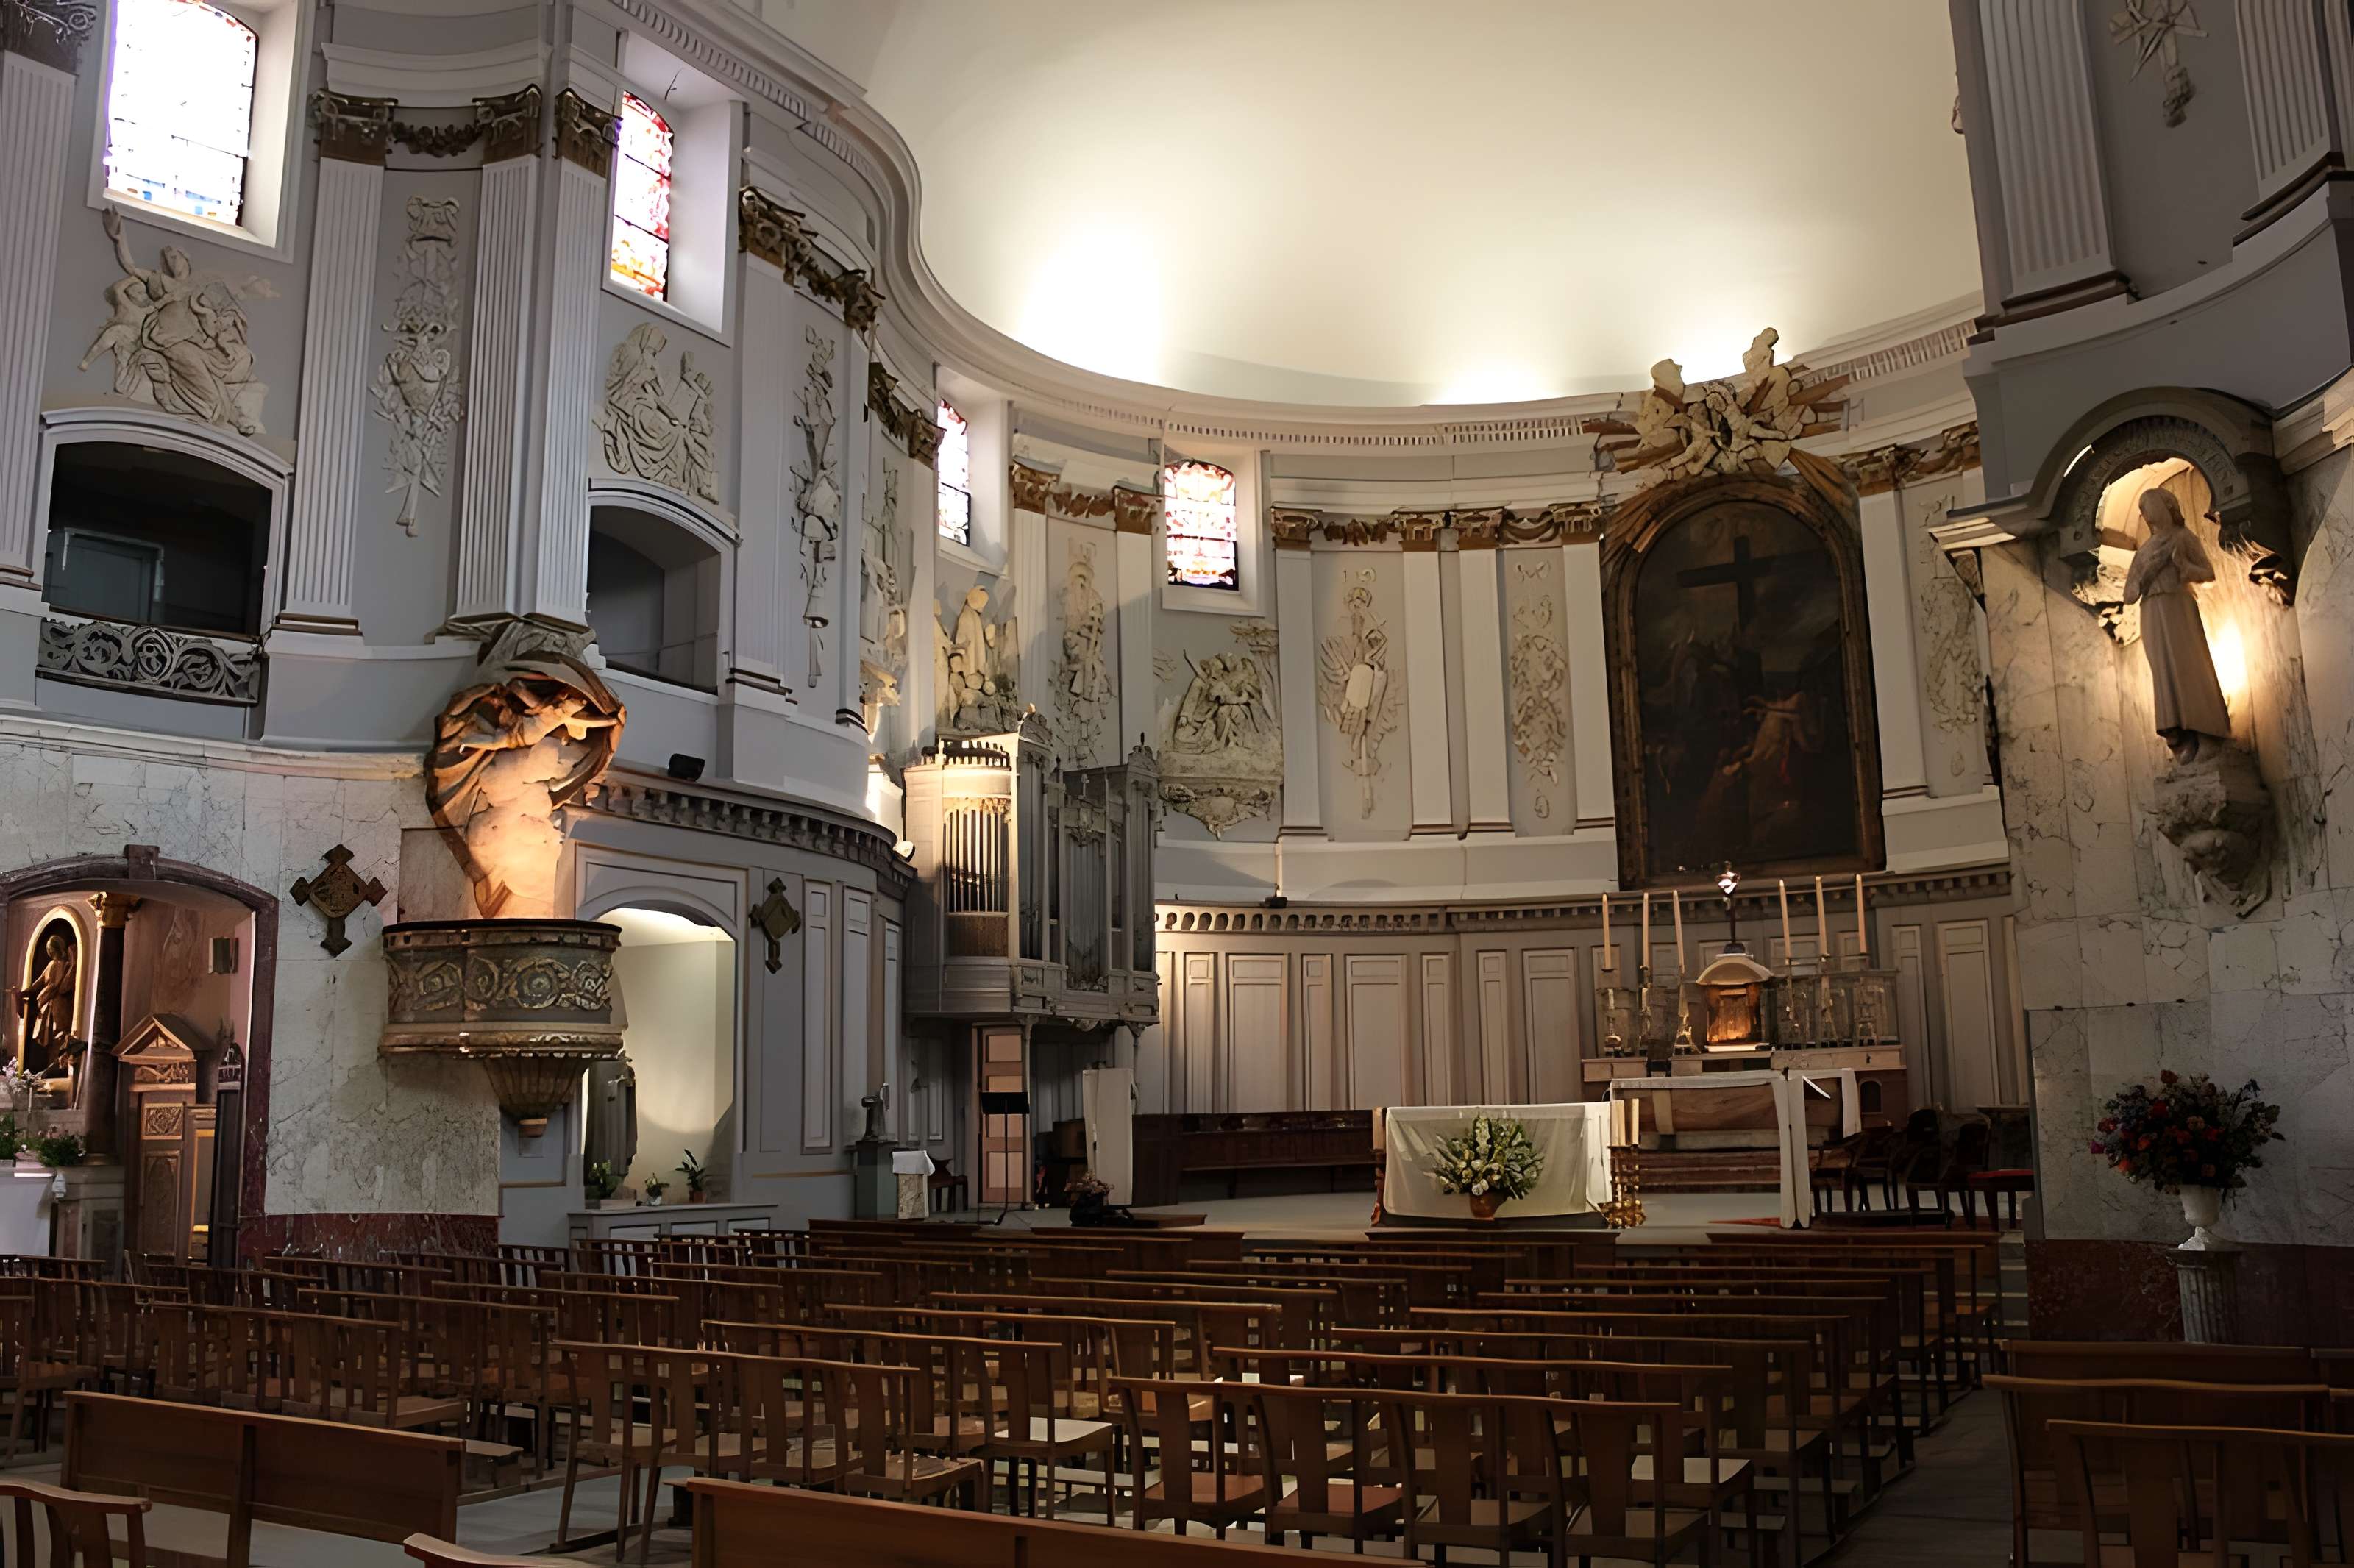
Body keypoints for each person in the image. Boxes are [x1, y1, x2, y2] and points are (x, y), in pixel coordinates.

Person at [2123, 487, 2233, 763]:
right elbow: (2128, 594)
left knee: (2190, 667)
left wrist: (2184, 567)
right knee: (2163, 673)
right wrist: (2144, 576)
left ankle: (2207, 732)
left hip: (2178, 605)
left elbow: (2207, 572)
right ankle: (2179, 737)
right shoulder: (2144, 551)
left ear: (2167, 506)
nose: (2146, 513)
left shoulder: (2182, 537)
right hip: (2151, 610)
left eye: (2150, 505)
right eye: (2142, 508)